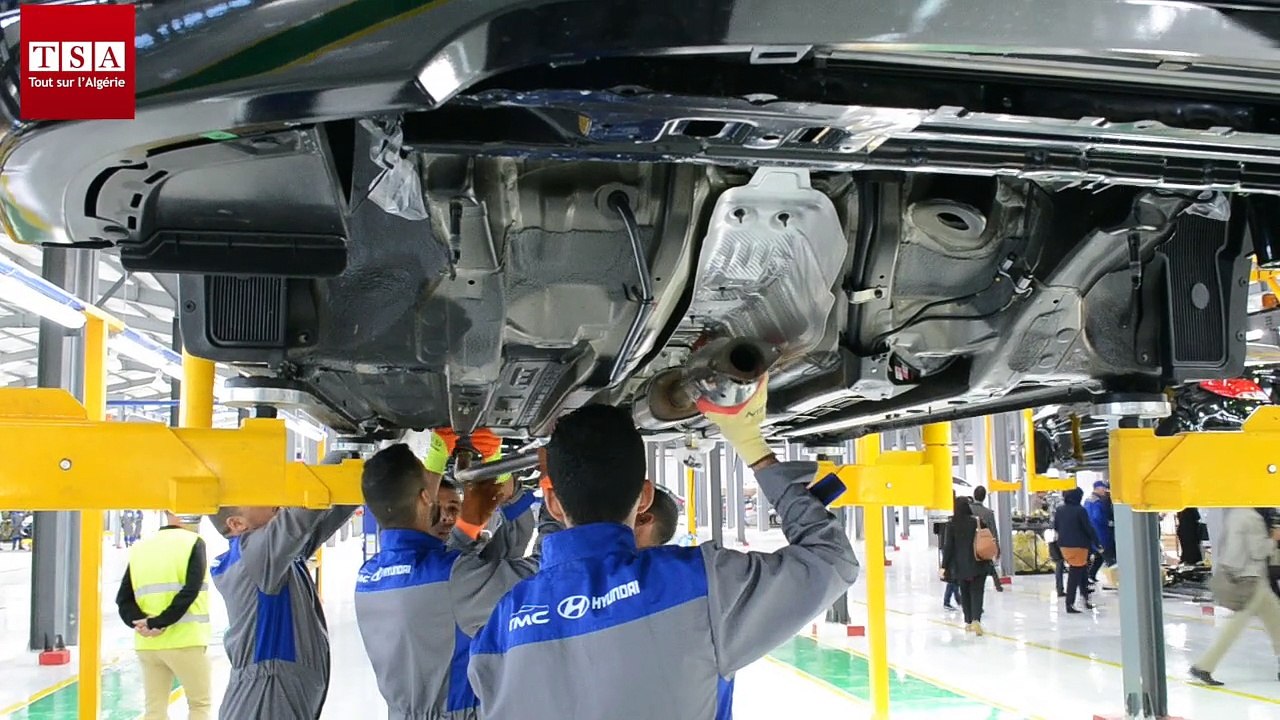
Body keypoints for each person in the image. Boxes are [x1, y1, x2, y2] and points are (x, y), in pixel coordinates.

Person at [467, 387, 860, 719]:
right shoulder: (700, 586)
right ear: (646, 498)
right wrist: (751, 444)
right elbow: (830, 559)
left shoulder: (502, 623)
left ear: (553, 503)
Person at [355, 441, 540, 720]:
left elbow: (439, 572)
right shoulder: (452, 577)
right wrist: (555, 499)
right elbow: (543, 573)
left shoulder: (367, 577)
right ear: (424, 498)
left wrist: (467, 527)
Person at [208, 450, 358, 720]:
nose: (274, 497)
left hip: (276, 691)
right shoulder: (252, 556)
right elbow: (300, 518)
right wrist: (334, 460)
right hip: (263, 695)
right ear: (237, 524)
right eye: (259, 496)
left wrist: (353, 471)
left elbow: (324, 519)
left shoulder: (278, 559)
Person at [115, 512, 213, 720]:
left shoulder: (141, 548)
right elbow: (190, 591)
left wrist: (141, 624)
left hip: (148, 646)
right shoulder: (193, 542)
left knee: (154, 710)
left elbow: (123, 598)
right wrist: (158, 623)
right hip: (186, 641)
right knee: (199, 704)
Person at [1190, 508, 1280, 686]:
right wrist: (1274, 539)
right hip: (1251, 580)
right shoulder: (1252, 518)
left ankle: (1204, 665)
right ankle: (1204, 666)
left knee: (1276, 621)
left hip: (1245, 577)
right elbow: (1258, 551)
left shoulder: (1236, 514)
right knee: (1235, 627)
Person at [941, 497, 993, 635]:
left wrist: (944, 566)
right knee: (977, 591)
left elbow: (948, 548)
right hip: (978, 563)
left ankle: (968, 621)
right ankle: (976, 619)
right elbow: (988, 538)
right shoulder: (977, 522)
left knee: (965, 592)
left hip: (960, 566)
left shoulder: (951, 525)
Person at [1054, 487, 1099, 614]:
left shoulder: (1059, 510)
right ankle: (1070, 603)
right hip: (1079, 546)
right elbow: (1088, 528)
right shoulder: (1080, 510)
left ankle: (1085, 599)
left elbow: (1056, 526)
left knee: (1082, 572)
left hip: (1064, 546)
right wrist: (1097, 542)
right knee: (1075, 574)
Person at [970, 486, 1004, 593]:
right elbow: (993, 531)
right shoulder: (988, 513)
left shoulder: (968, 510)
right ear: (984, 497)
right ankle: (997, 585)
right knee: (988, 562)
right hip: (983, 544)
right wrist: (997, 547)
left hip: (969, 543)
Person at [1085, 481, 1116, 588]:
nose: (1105, 491)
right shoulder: (1097, 502)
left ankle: (1090, 574)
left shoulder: (1088, 500)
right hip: (1101, 532)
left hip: (1091, 532)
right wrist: (1109, 523)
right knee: (1109, 557)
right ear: (1097, 488)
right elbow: (1097, 517)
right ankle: (1115, 579)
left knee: (1099, 556)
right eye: (1103, 489)